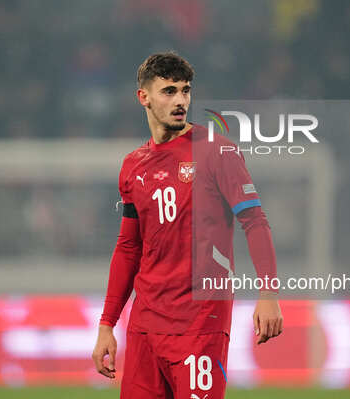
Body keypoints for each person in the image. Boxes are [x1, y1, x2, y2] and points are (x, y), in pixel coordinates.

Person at [92, 51, 282, 398]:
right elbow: (128, 247)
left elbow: (254, 221)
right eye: (169, 91)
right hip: (146, 327)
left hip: (200, 325)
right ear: (144, 97)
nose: (180, 100)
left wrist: (268, 292)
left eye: (185, 90)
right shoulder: (133, 166)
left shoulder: (216, 152)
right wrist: (107, 324)